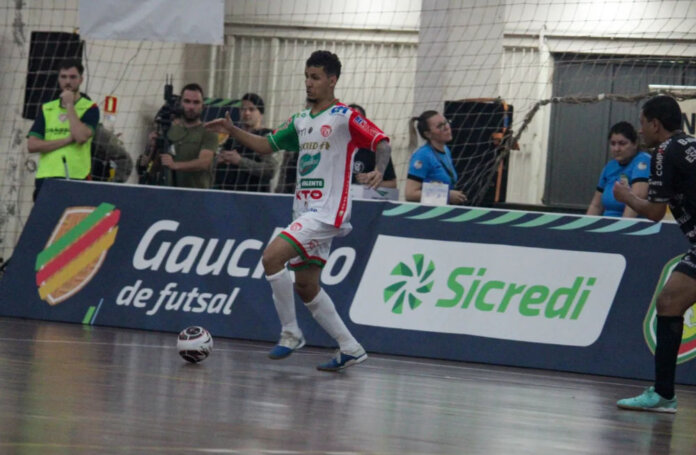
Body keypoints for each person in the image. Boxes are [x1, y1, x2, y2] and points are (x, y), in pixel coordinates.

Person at [206, 50, 392, 371]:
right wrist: (232, 130)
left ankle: (291, 333)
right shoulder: (300, 121)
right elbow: (266, 146)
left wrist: (380, 169)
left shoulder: (345, 116)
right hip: (304, 211)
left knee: (270, 258)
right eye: (306, 76)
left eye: (315, 77)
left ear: (332, 80)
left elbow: (382, 141)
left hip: (326, 211)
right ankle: (350, 347)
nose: (308, 83)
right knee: (306, 285)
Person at [614, 95, 696, 413]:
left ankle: (663, 394)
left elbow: (654, 213)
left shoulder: (663, 152)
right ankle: (663, 394)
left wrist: (626, 196)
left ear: (655, 124)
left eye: (642, 122)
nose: (640, 129)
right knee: (668, 302)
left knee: (668, 303)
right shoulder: (689, 145)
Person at [27, 58, 100, 201]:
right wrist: (67, 140)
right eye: (64, 77)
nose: (68, 81)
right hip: (46, 177)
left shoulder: (90, 107)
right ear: (59, 79)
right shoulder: (47, 108)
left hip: (76, 176)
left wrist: (69, 105)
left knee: (74, 222)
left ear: (81, 79)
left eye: (73, 77)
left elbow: (80, 137)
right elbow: (32, 145)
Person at [142, 83, 218, 189]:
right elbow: (151, 168)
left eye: (196, 102)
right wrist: (151, 148)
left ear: (203, 106)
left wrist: (175, 165)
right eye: (187, 101)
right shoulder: (168, 130)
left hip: (197, 196)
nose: (191, 107)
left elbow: (204, 162)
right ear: (180, 104)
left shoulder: (209, 132)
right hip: (169, 194)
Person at [214, 93, 277, 192]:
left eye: (251, 109)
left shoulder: (268, 137)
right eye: (243, 109)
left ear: (260, 114)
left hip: (255, 197)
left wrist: (240, 161)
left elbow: (270, 170)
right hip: (226, 194)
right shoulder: (231, 136)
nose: (246, 113)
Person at [586, 121, 650, 217]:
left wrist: (620, 228)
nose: (616, 149)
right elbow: (596, 205)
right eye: (613, 144)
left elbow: (637, 198)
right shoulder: (609, 167)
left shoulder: (643, 161)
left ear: (635, 144)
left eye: (622, 143)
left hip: (628, 227)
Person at [405, 110, 467, 205]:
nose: (446, 127)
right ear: (428, 134)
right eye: (440, 126)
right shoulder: (422, 156)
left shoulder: (446, 150)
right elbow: (410, 194)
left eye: (446, 122)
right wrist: (447, 196)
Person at [348, 104, 396, 188]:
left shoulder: (378, 149)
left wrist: (370, 183)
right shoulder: (336, 147)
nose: (354, 126)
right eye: (351, 121)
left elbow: (392, 184)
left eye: (358, 121)